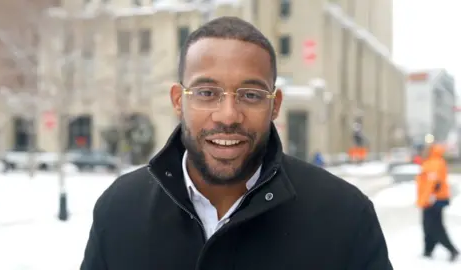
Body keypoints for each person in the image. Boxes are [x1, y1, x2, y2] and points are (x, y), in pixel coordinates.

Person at [81, 16, 392, 270]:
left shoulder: (345, 217)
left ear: (275, 105)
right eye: (206, 92)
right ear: (179, 100)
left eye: (251, 95)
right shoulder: (119, 209)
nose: (228, 116)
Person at [416, 144, 459, 262]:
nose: (423, 151)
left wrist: (426, 199)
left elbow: (433, 183)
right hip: (430, 200)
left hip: (433, 201)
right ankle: (428, 250)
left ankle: (452, 249)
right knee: (428, 226)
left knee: (435, 227)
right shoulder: (431, 162)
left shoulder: (434, 163)